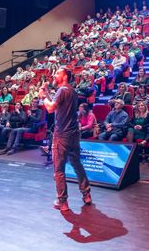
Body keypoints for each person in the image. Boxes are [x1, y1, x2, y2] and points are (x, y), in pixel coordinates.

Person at [38, 68, 91, 211]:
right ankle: (86, 194)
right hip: (73, 135)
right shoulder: (71, 91)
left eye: (57, 73)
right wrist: (48, 92)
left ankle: (62, 202)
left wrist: (43, 96)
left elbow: (50, 108)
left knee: (59, 170)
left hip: (62, 135)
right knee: (76, 164)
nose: (54, 75)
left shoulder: (62, 91)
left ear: (65, 76)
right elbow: (57, 106)